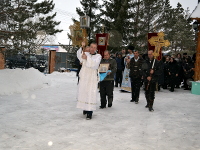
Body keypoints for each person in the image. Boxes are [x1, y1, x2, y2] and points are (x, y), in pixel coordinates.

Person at [76, 42, 102, 120]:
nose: (93, 49)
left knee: (90, 93)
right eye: (91, 47)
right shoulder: (85, 54)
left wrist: (87, 58)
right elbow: (79, 55)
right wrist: (82, 46)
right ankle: (84, 107)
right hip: (84, 76)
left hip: (92, 77)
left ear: (96, 49)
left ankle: (89, 112)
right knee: (84, 92)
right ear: (89, 47)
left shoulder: (98, 56)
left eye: (94, 47)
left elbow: (95, 65)